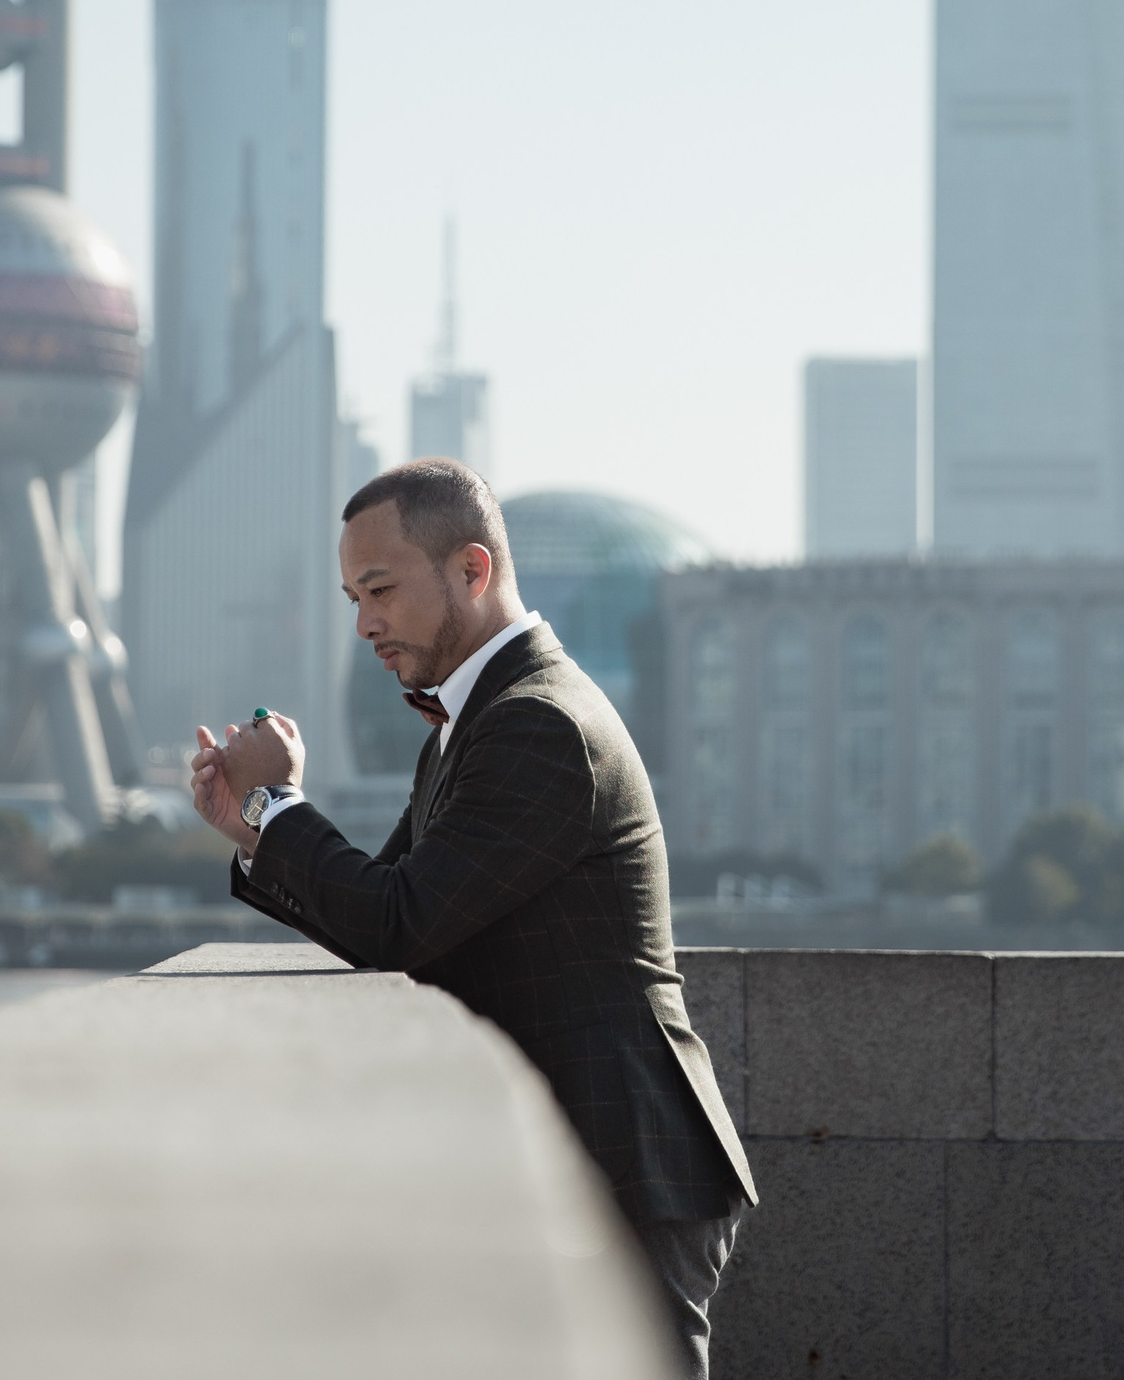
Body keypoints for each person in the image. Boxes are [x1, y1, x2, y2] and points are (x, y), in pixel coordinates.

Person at [189, 458, 755, 1377]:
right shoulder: (473, 720)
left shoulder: (538, 723)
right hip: (575, 1159)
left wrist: (284, 806)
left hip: (624, 1161)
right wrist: (253, 822)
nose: (365, 623)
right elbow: (378, 913)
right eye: (350, 597)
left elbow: (400, 921)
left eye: (380, 590)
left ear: (472, 571)